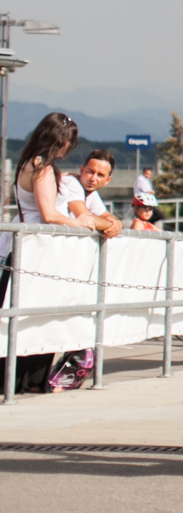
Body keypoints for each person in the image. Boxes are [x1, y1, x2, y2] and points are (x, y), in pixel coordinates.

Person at [6, 114, 119, 393]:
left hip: (27, 246)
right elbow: (49, 214)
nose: (68, 147)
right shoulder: (43, 167)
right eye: (68, 141)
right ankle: (30, 381)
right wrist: (78, 222)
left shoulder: (28, 163)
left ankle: (19, 380)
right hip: (38, 249)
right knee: (41, 318)